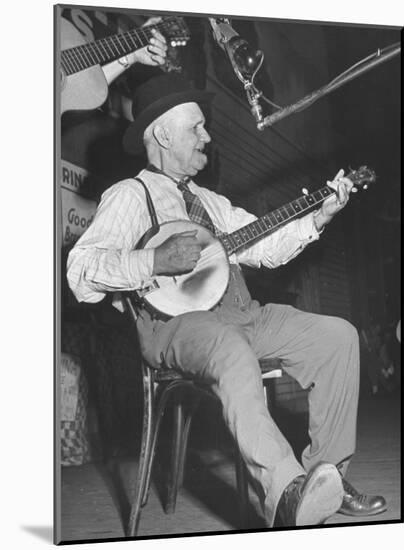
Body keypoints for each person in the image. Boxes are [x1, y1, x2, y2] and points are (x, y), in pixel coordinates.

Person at [67, 73, 387, 528]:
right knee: (228, 347)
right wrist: (153, 260)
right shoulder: (129, 196)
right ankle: (286, 491)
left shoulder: (210, 202)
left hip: (243, 314)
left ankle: (328, 478)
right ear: (161, 133)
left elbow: (267, 247)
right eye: (196, 127)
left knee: (337, 336)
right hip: (177, 326)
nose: (208, 136)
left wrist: (318, 215)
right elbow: (80, 271)